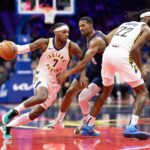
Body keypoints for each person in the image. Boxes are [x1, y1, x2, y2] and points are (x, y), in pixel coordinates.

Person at [57, 9, 150, 139]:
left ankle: (89, 126)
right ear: (148, 19)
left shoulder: (125, 24)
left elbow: (105, 38)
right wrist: (141, 70)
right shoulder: (146, 29)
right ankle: (131, 127)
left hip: (107, 55)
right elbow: (135, 49)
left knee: (106, 92)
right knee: (142, 92)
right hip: (122, 55)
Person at [1, 22, 83, 140]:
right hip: (42, 75)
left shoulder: (72, 46)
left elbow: (84, 61)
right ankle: (12, 113)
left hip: (56, 83)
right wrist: (11, 47)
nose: (67, 34)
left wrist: (68, 72)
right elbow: (23, 48)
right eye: (64, 32)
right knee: (42, 96)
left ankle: (8, 126)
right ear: (56, 32)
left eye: (68, 32)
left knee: (35, 114)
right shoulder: (44, 42)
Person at [47, 17, 107, 136]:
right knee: (69, 92)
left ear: (91, 25)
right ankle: (59, 121)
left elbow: (84, 61)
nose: (81, 28)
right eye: (80, 26)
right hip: (91, 68)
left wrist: (67, 73)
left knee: (82, 98)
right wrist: (84, 74)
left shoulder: (97, 40)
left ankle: (86, 120)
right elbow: (86, 62)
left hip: (102, 73)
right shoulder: (89, 37)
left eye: (83, 25)